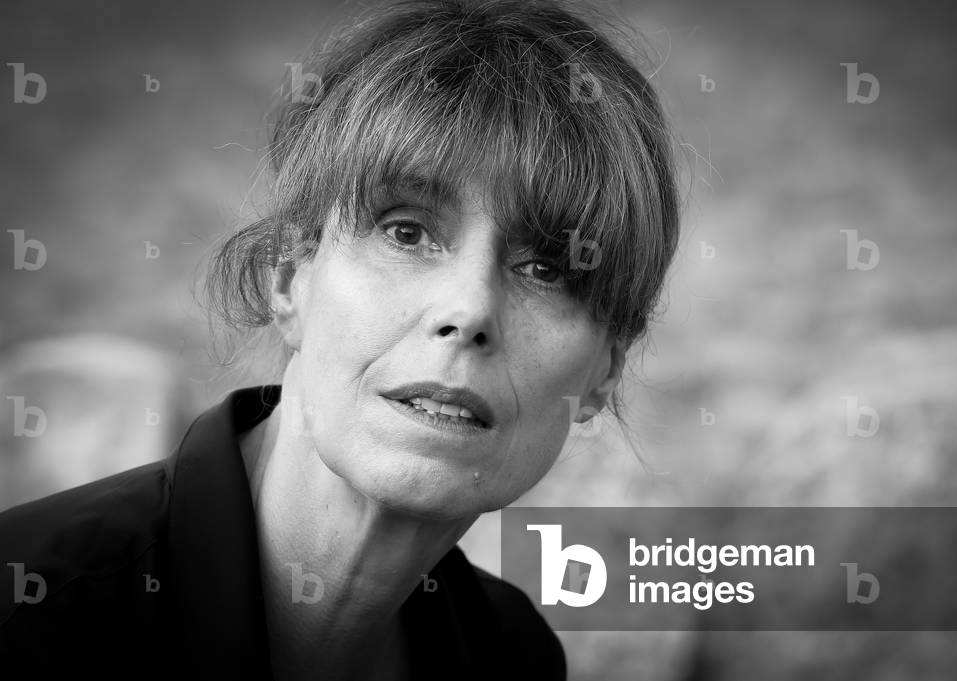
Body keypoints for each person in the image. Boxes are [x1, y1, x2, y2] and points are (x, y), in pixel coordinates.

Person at [0, 0, 681, 678]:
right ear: (289, 278)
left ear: (602, 376)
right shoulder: (29, 612)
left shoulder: (512, 658)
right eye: (406, 231)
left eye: (545, 269)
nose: (470, 309)